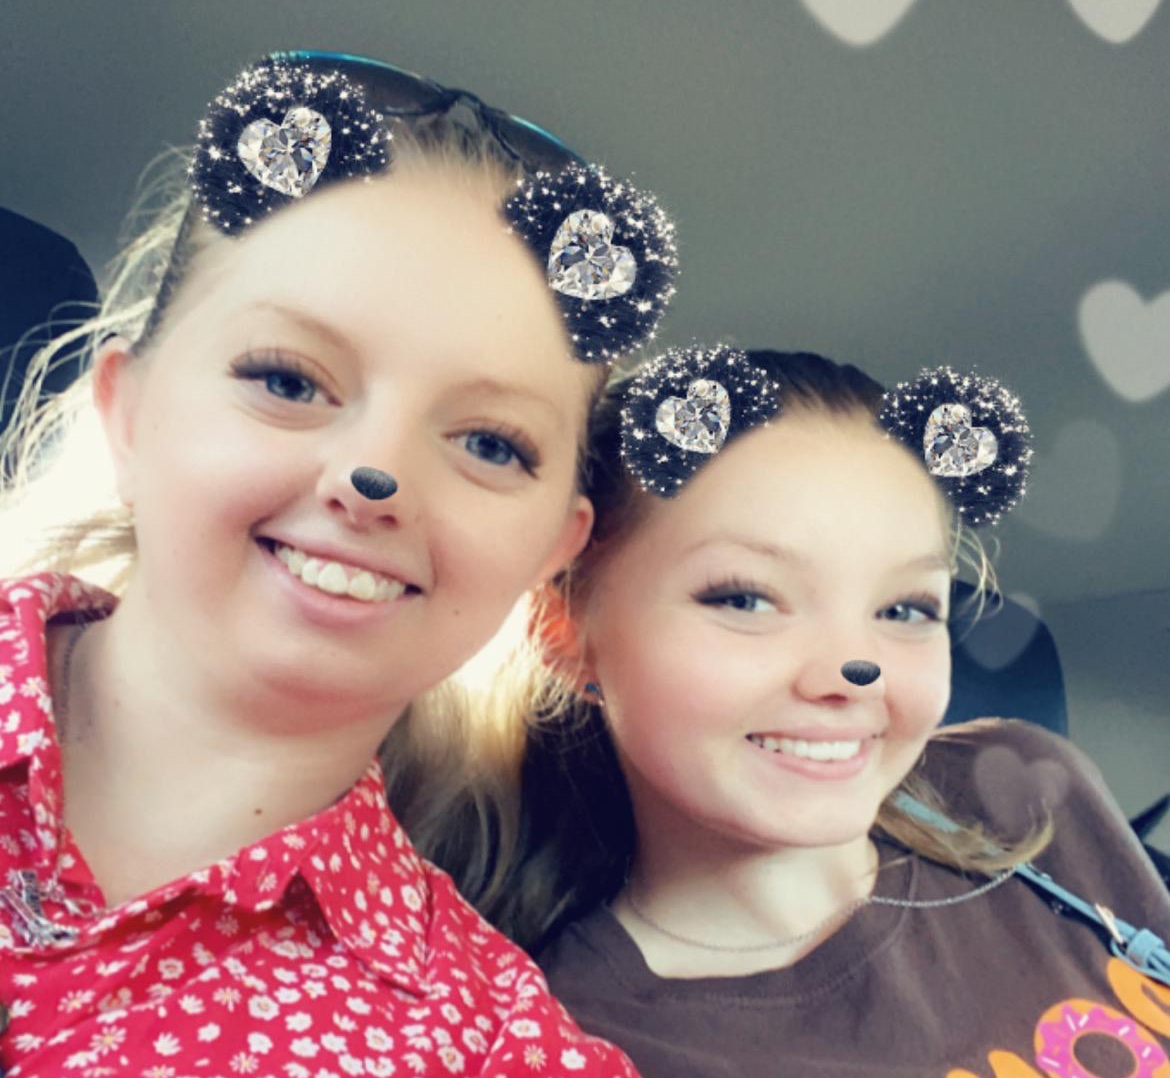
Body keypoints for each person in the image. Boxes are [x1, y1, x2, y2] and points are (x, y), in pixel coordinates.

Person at [0, 50, 678, 1076]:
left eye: (489, 443)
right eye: (288, 380)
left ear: (551, 553)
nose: (376, 476)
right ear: (126, 415)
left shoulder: (495, 1047)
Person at [412, 345, 1170, 1078]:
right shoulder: (563, 1042)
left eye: (905, 609)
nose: (851, 676)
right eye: (745, 599)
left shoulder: (1027, 793)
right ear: (564, 632)